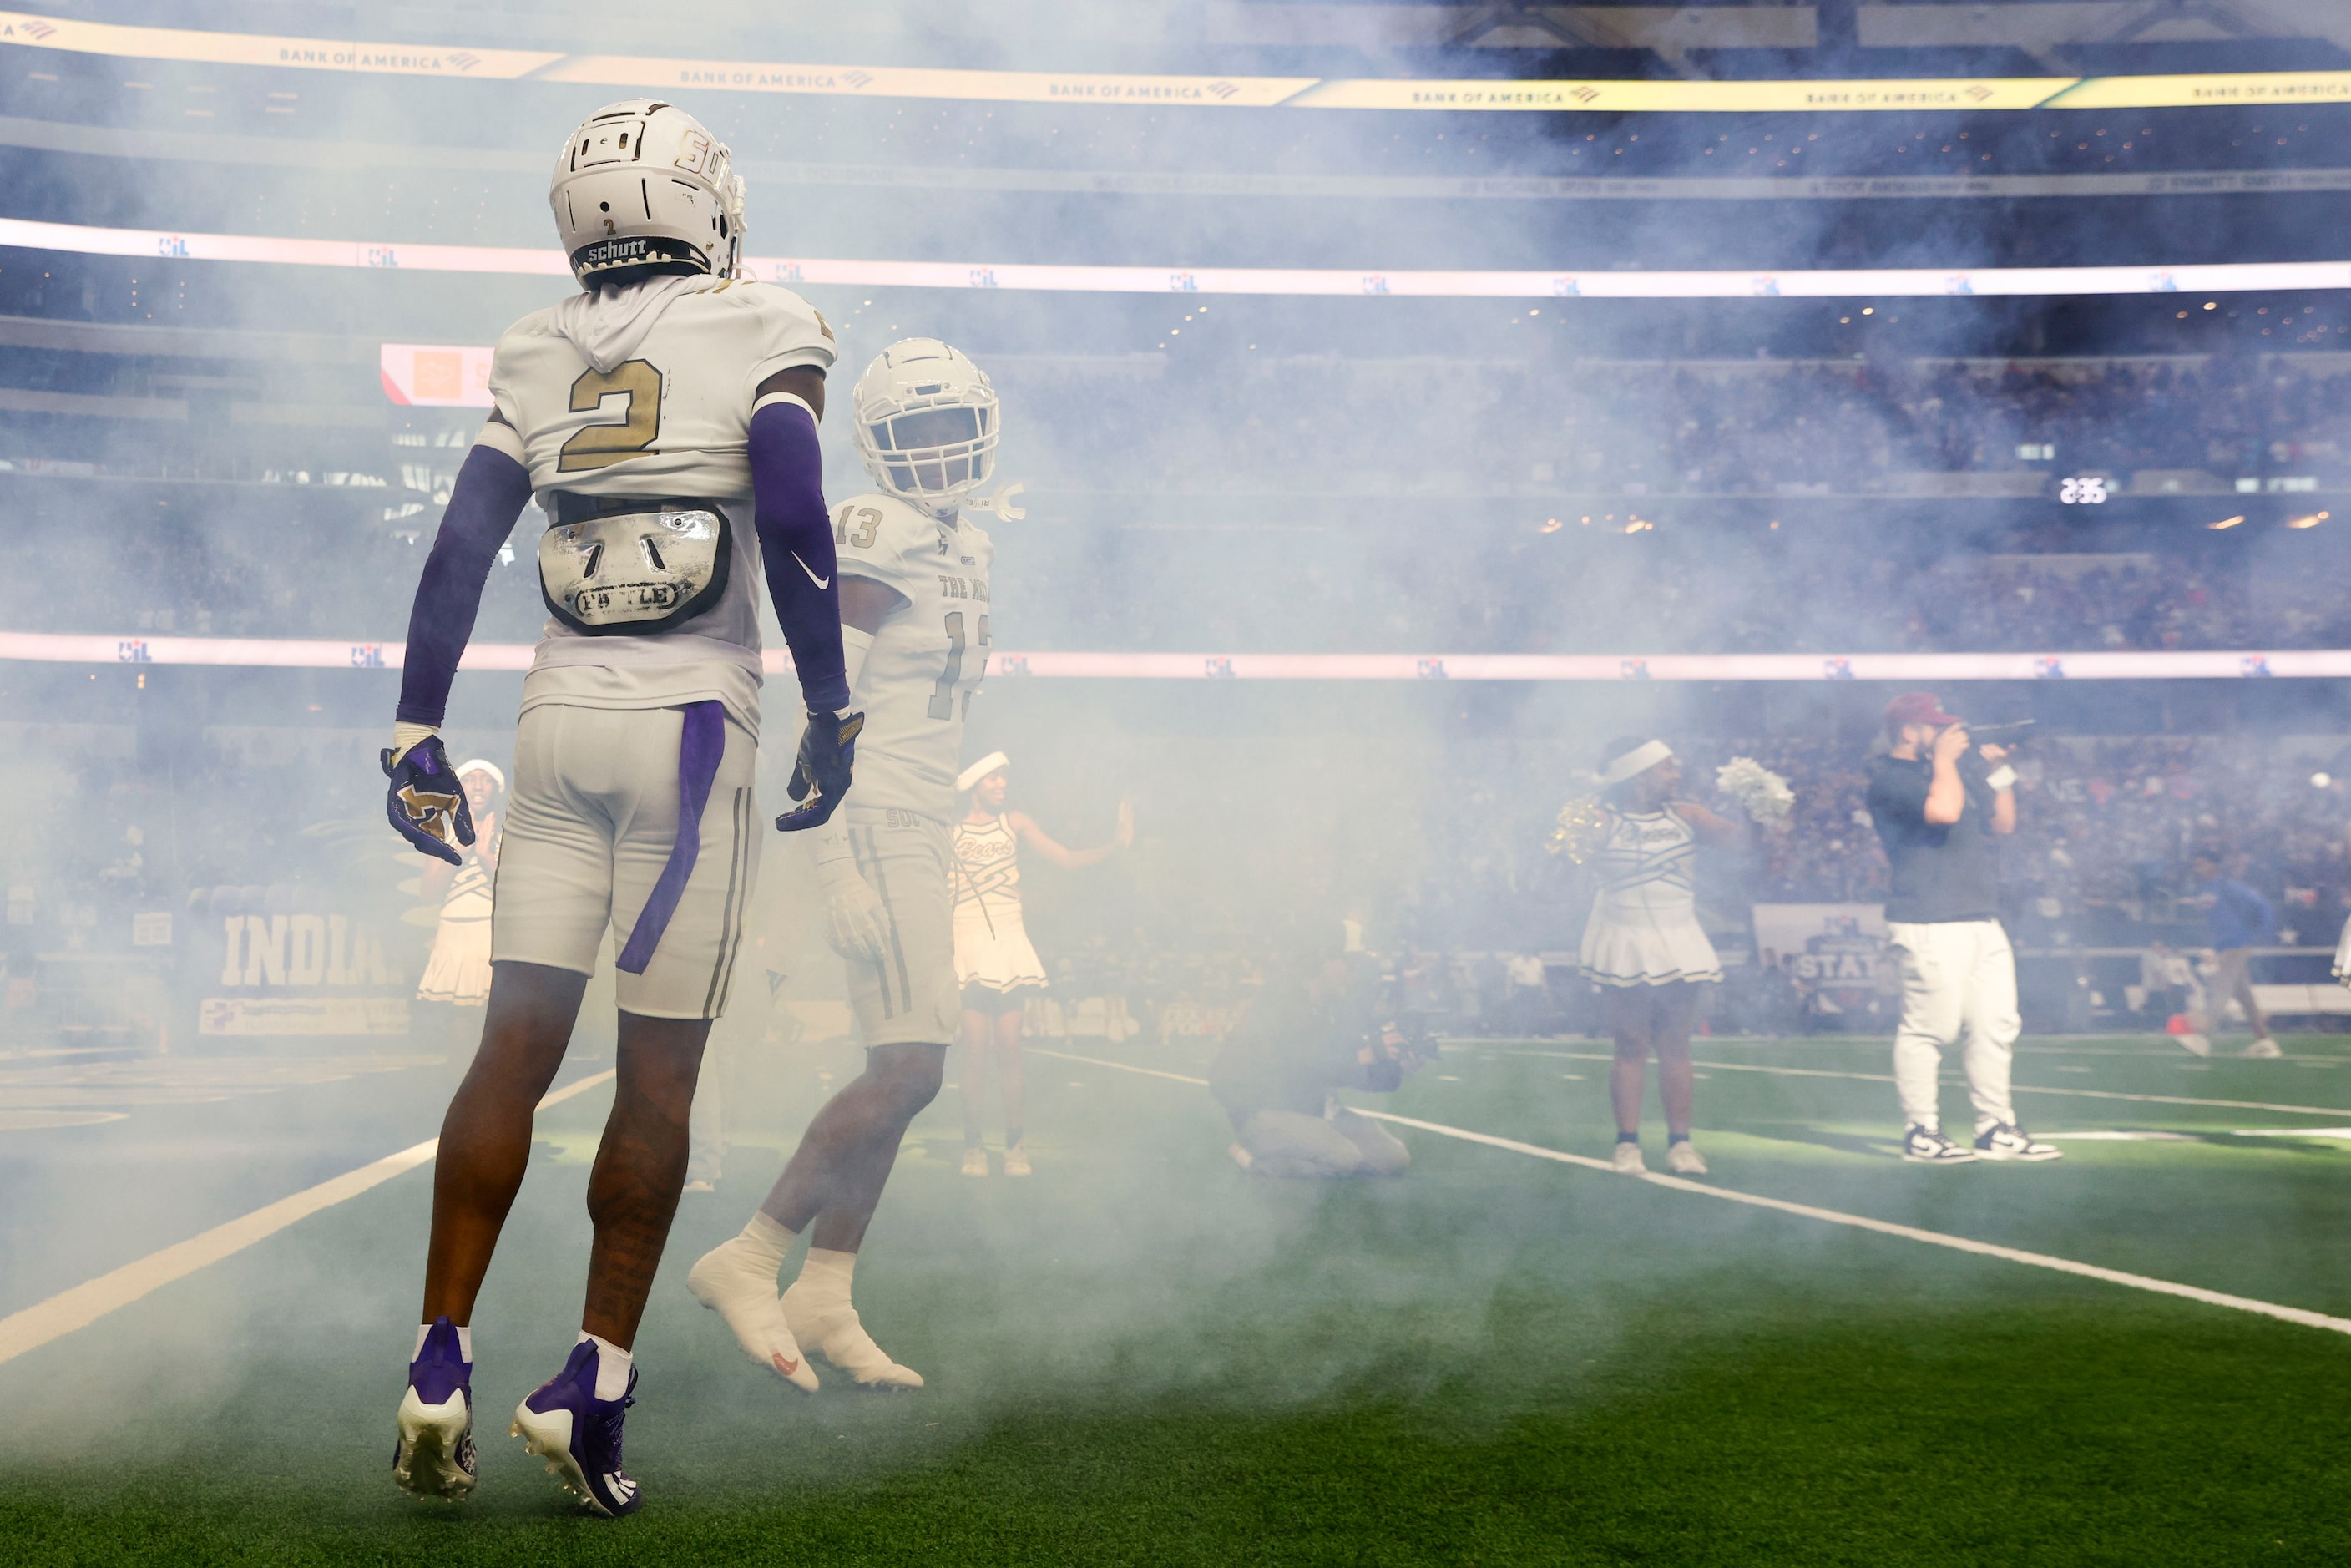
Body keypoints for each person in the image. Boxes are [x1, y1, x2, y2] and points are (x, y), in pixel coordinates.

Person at [386, 100, 862, 1518]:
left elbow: (463, 544)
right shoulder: (762, 318)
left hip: (551, 725)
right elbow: (788, 502)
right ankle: (589, 1381)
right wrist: (835, 700)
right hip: (693, 724)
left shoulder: (535, 347)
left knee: (510, 1052)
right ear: (705, 205)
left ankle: (436, 1356)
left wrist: (414, 727)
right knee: (657, 1080)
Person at [685, 339, 1002, 1394]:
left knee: (907, 1070)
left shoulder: (972, 542)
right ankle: (753, 1255)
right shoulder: (877, 529)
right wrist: (832, 862)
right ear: (877, 444)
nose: (942, 452)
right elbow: (826, 701)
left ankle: (826, 1289)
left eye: (954, 428)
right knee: (910, 1067)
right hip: (872, 818)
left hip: (923, 819)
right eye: (917, 433)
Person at [1864, 694, 2059, 1165]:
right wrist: (1949, 762)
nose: (1949, 733)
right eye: (1936, 726)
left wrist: (1999, 769)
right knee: (1930, 1028)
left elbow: (2003, 823)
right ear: (1909, 731)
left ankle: (1994, 1126)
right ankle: (1921, 1130)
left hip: (1978, 914)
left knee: (1996, 1025)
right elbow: (1944, 813)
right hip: (1929, 916)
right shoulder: (1890, 776)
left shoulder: (1948, 769)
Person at [951, 754, 1132, 1176]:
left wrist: (1115, 846)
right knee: (975, 1049)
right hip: (966, 939)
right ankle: (973, 1145)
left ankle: (1015, 1145)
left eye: (1004, 777)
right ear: (975, 782)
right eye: (994, 777)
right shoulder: (951, 830)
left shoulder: (1016, 822)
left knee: (1010, 1046)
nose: (1001, 783)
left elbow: (1065, 858)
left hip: (1009, 941)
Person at [1577, 737, 1745, 1176]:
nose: (1676, 774)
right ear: (1639, 775)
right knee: (1630, 1044)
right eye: (1667, 767)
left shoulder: (1687, 815)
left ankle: (1681, 1145)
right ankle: (1627, 1146)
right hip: (1624, 936)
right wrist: (1565, 835)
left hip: (1677, 935)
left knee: (1675, 1044)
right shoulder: (1599, 820)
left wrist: (1758, 811)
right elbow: (1558, 873)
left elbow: (1740, 845)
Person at [1210, 943, 1421, 1178]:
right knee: (1344, 1158)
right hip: (1269, 1109)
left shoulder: (1335, 1008)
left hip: (1317, 1110)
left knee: (1393, 1159)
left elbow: (1358, 1073)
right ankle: (1251, 1156)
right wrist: (1368, 1055)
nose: (1355, 972)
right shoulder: (1283, 1005)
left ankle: (1314, 1149)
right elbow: (1309, 1065)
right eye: (1349, 963)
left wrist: (1394, 1065)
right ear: (1325, 960)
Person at [415, 760, 505, 1015]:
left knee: (491, 1017)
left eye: (485, 779)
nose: (478, 786)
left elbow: (517, 895)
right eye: (470, 779)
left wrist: (487, 856)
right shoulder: (440, 834)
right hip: (454, 937)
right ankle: (457, 1058)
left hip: (492, 937)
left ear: (496, 788)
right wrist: (460, 853)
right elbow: (428, 894)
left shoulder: (508, 831)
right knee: (458, 1019)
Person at [2182, 847, 2279, 1058]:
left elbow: (2262, 906)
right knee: (2243, 995)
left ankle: (2204, 1039)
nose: (2197, 868)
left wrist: (2261, 935)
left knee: (2221, 987)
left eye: (2202, 863)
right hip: (2224, 947)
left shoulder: (2229, 886)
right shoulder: (2205, 889)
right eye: (2196, 864)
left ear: (2213, 864)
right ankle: (2265, 1042)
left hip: (2238, 944)